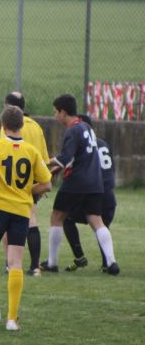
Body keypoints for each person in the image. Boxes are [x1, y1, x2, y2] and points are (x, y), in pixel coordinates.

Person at [0, 105, 52, 331]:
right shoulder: (32, 152)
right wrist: (26, 191)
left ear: (3, 126)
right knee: (15, 263)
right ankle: (12, 319)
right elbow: (47, 184)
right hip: (21, 212)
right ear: (22, 125)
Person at [0, 92, 50, 276]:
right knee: (32, 220)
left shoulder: (3, 131)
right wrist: (33, 186)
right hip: (29, 184)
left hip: (5, 190)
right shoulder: (37, 127)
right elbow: (45, 160)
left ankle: (4, 265)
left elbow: (1, 154)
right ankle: (35, 266)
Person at [40, 94, 120, 276]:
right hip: (95, 183)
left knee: (57, 217)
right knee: (96, 220)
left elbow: (65, 159)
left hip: (76, 182)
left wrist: (43, 163)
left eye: (55, 112)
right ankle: (111, 262)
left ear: (63, 112)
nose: (55, 116)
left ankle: (52, 263)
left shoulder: (73, 130)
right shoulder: (87, 128)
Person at [63, 114, 117, 273]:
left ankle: (79, 256)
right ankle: (108, 263)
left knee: (66, 217)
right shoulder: (104, 144)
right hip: (109, 196)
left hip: (92, 193)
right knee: (102, 226)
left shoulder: (84, 146)